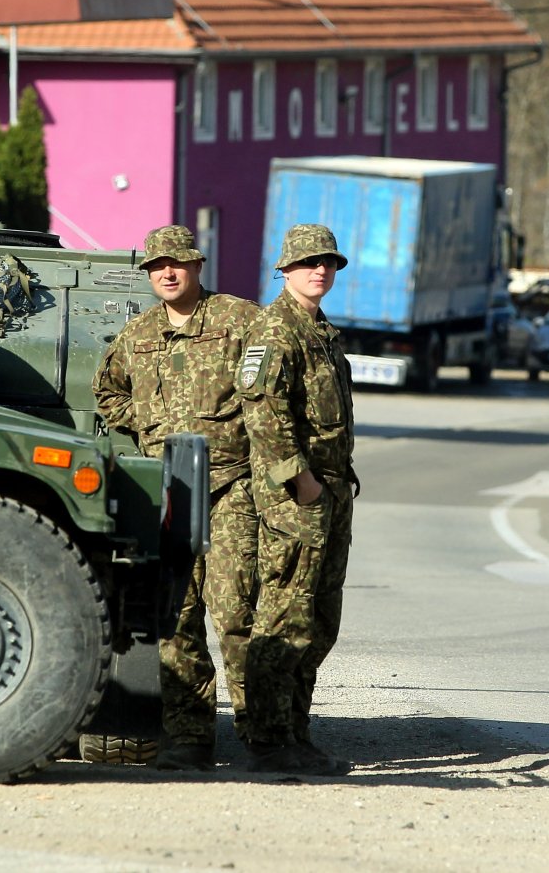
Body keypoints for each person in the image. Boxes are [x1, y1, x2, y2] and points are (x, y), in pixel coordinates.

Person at [93, 224, 259, 771]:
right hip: (168, 493)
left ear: (197, 267)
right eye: (158, 266)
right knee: (176, 619)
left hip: (230, 484)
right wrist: (145, 420)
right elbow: (107, 390)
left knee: (236, 615)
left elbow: (276, 382)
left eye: (178, 264)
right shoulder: (137, 334)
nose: (167, 273)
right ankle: (188, 739)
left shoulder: (239, 321)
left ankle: (264, 735)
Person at [238, 224, 356, 776]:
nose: (320, 271)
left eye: (328, 263)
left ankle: (296, 731)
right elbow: (263, 412)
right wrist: (300, 481)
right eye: (309, 263)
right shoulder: (273, 329)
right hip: (297, 496)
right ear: (284, 270)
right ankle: (267, 740)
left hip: (331, 490)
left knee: (320, 618)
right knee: (284, 616)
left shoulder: (322, 332)